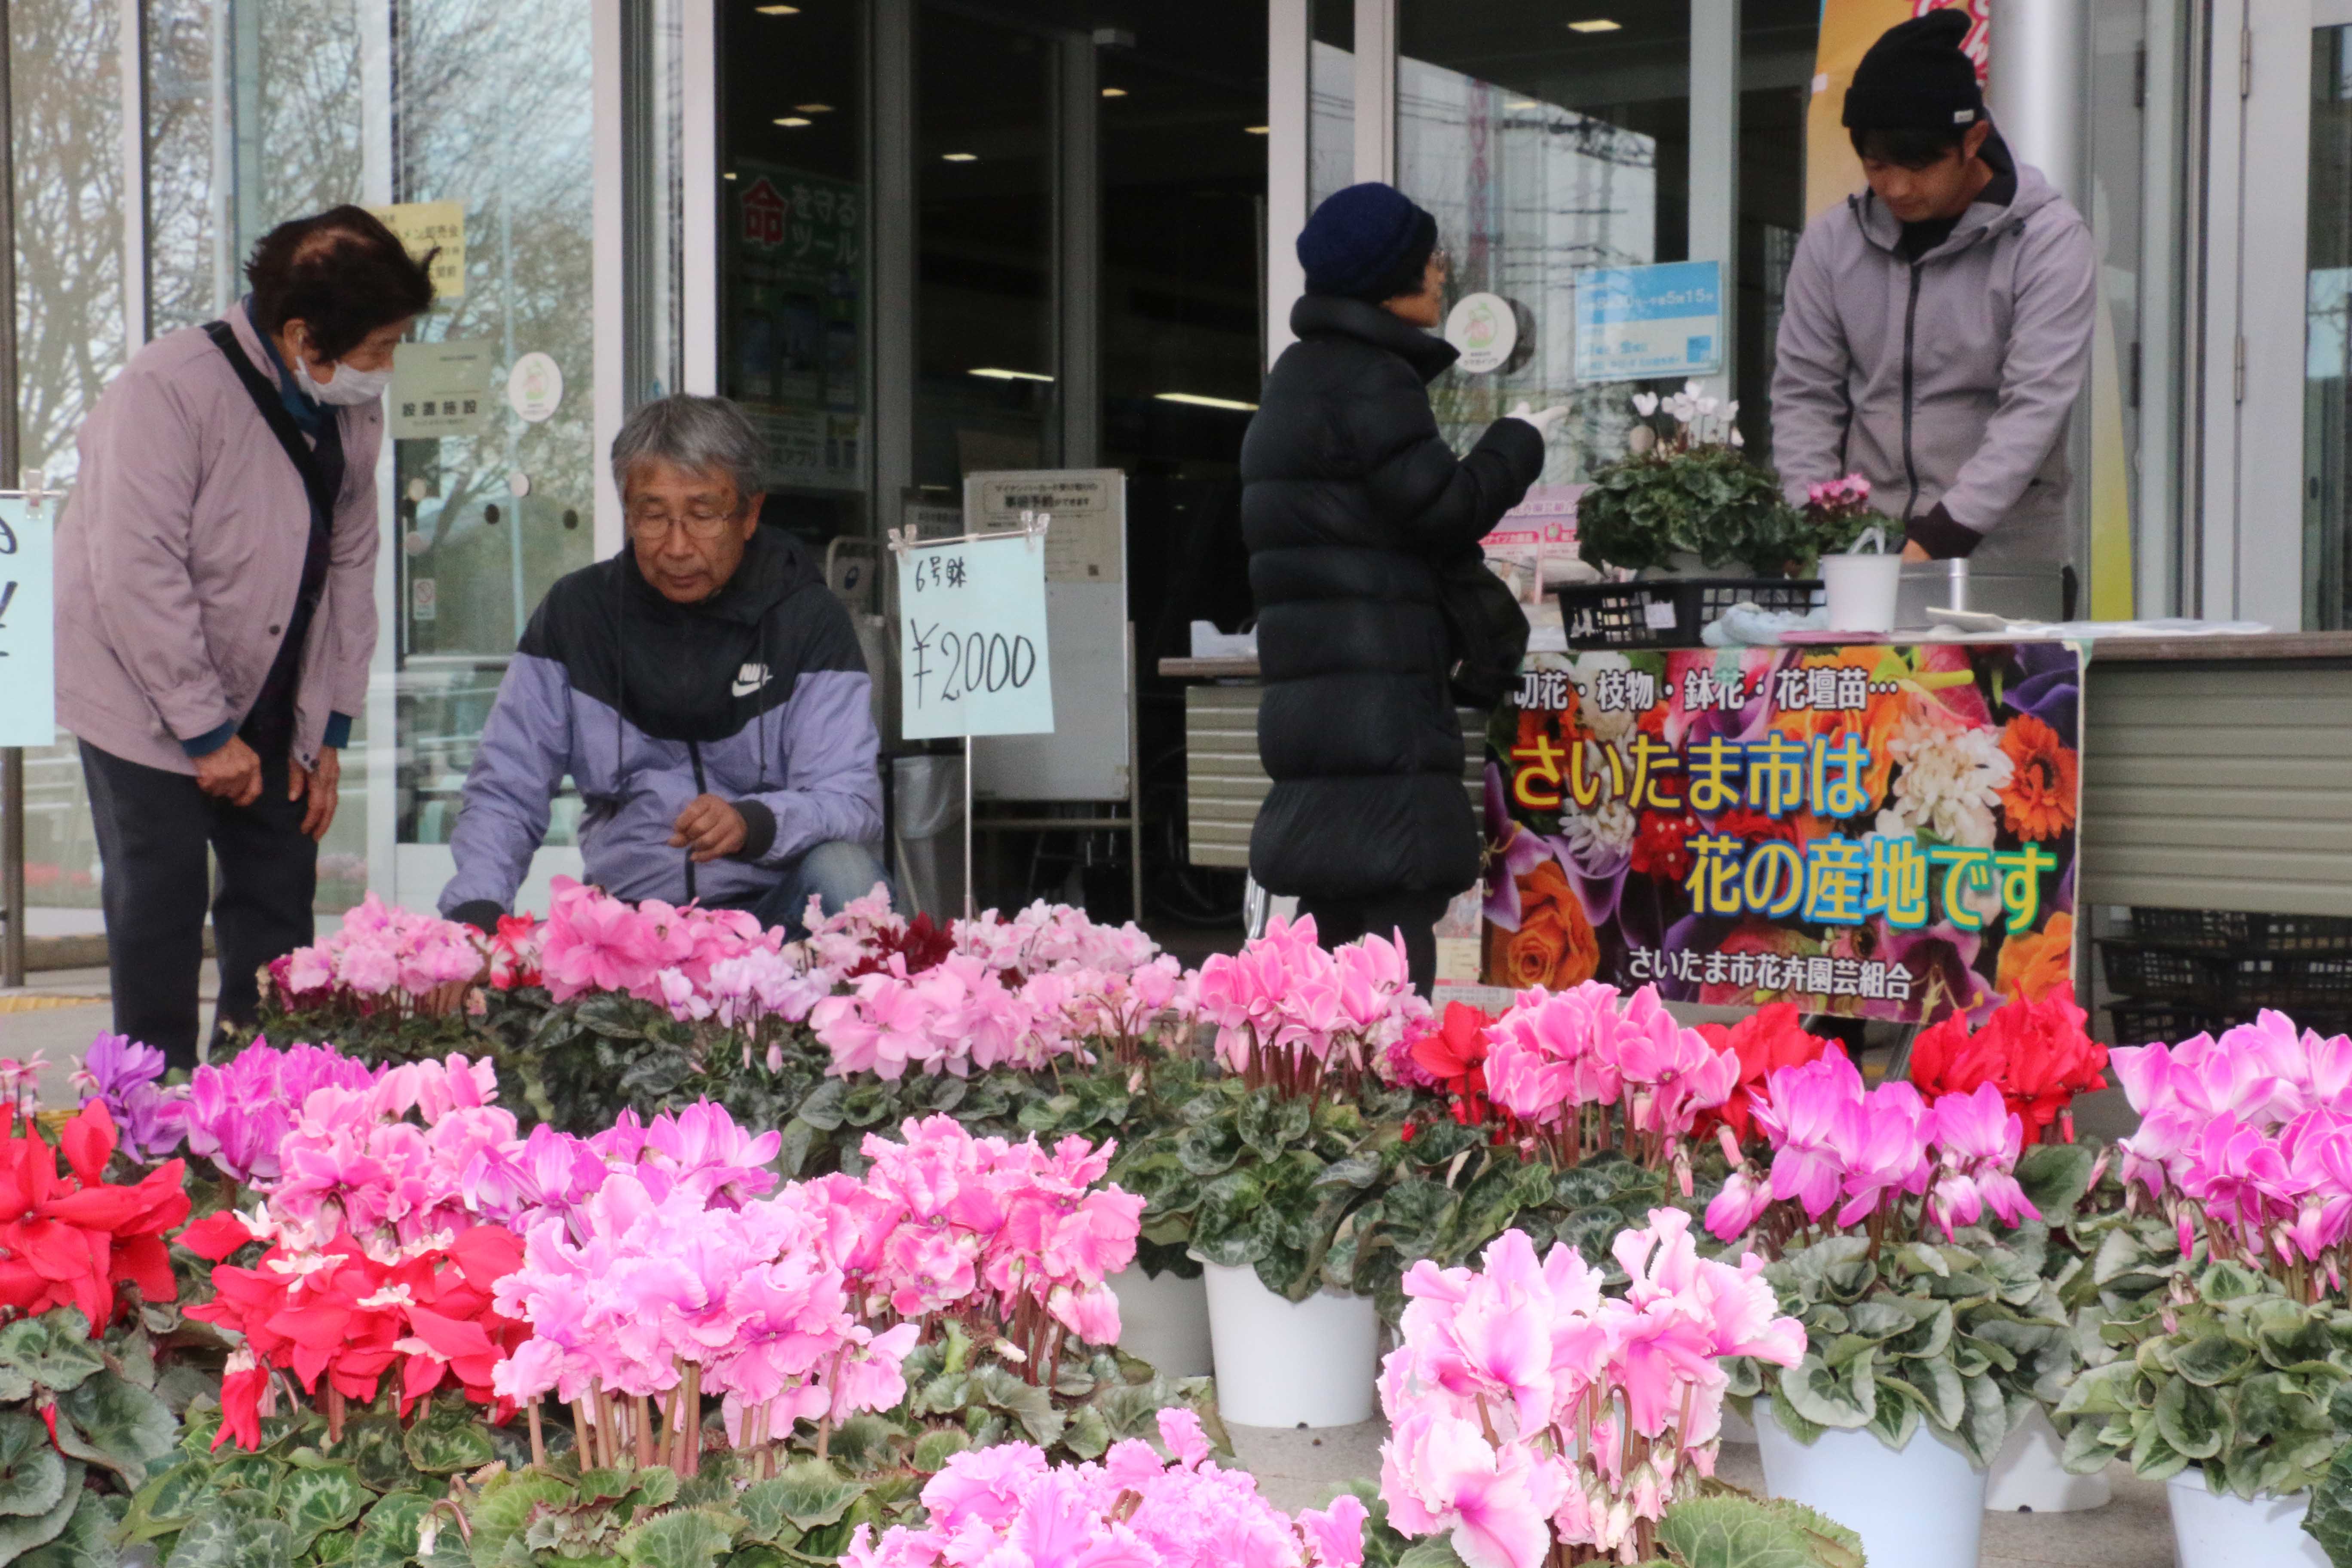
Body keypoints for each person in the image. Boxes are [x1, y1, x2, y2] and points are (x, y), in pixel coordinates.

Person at [57, 205, 432, 1068]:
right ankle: (152, 1112)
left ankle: (260, 1100)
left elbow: (351, 568)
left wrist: (328, 728)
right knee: (161, 896)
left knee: (277, 895)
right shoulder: (170, 389)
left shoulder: (349, 411)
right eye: (376, 349)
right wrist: (202, 732)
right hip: (139, 692)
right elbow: (136, 574)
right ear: (302, 334)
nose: (384, 369)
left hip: (268, 683)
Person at [1240, 182, 1563, 993]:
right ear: (1389, 277)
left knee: (1333, 910)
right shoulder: (1371, 378)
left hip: (1318, 698)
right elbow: (1444, 509)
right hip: (1379, 695)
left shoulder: (1297, 378)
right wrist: (1517, 443)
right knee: (1393, 920)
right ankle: (1384, 1095)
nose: (1443, 270)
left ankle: (1320, 1096)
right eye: (1428, 258)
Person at [440, 394, 887, 937]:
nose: (676, 547)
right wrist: (476, 914)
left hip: (775, 913)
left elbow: (850, 799)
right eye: (652, 517)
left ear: (750, 515)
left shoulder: (807, 619)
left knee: (848, 871)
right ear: (628, 512)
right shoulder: (579, 615)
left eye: (703, 516)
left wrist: (755, 822)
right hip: (630, 921)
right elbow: (508, 788)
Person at [1771, 9, 2096, 568]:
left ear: (1973, 140)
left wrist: (1936, 542)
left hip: (2005, 560)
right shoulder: (1831, 243)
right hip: (1861, 552)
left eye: (1919, 166)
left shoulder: (2047, 240)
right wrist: (1811, 527)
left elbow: (2033, 410)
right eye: (1875, 165)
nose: (1895, 187)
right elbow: (1805, 394)